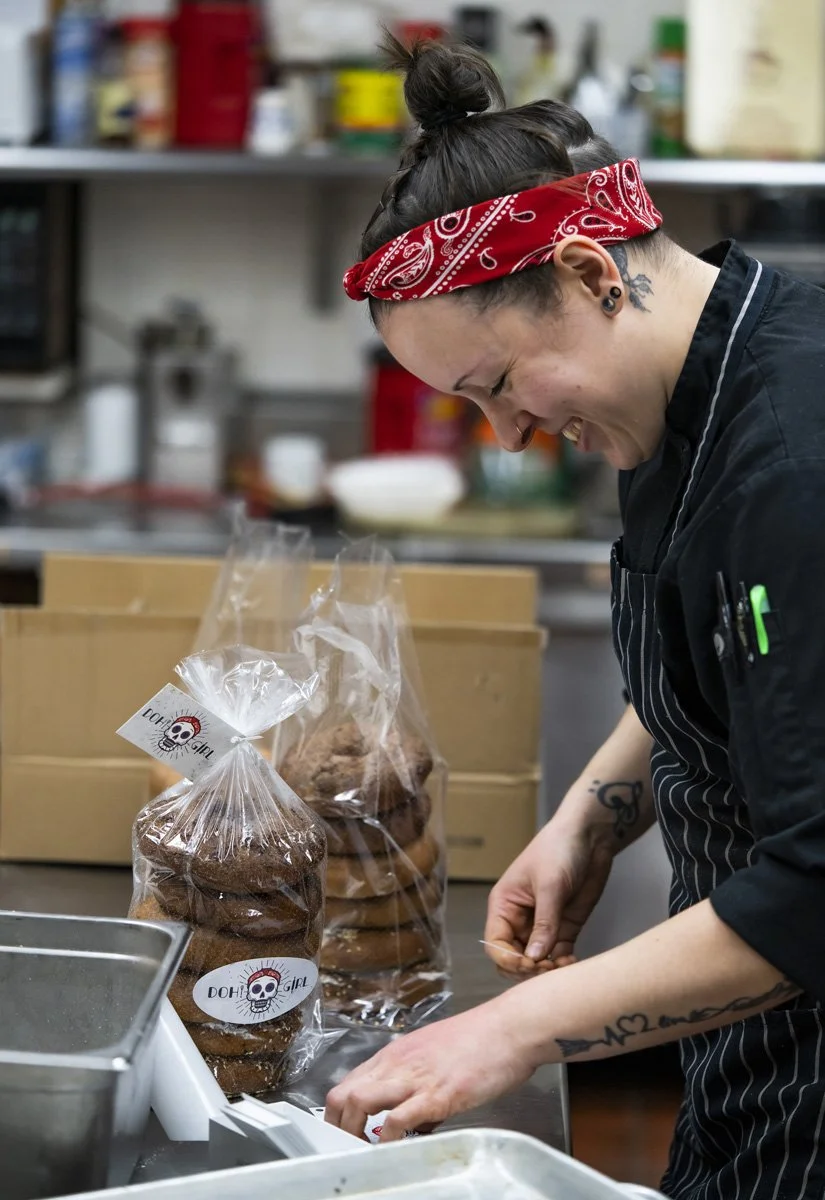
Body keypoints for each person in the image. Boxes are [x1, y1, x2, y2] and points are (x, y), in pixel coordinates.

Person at [324, 35, 825, 1200]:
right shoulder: (677, 387)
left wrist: (512, 1031)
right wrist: (594, 817)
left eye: (497, 386)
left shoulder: (795, 468)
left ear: (593, 272)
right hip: (747, 1059)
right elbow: (744, 652)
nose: (506, 436)